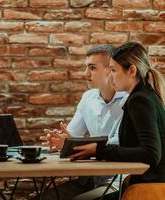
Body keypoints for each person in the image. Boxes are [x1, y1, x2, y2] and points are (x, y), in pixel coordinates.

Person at [69, 42, 165, 199]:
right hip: (143, 184)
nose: (110, 76)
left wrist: (99, 150)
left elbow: (151, 154)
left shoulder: (139, 100)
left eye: (113, 70)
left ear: (132, 71)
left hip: (146, 190)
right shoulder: (143, 96)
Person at [39, 44, 128, 199]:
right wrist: (61, 139)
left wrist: (72, 144)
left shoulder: (129, 100)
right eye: (87, 67)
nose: (85, 73)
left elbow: (118, 143)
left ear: (111, 69)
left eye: (92, 68)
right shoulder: (88, 97)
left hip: (118, 181)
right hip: (90, 178)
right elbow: (73, 135)